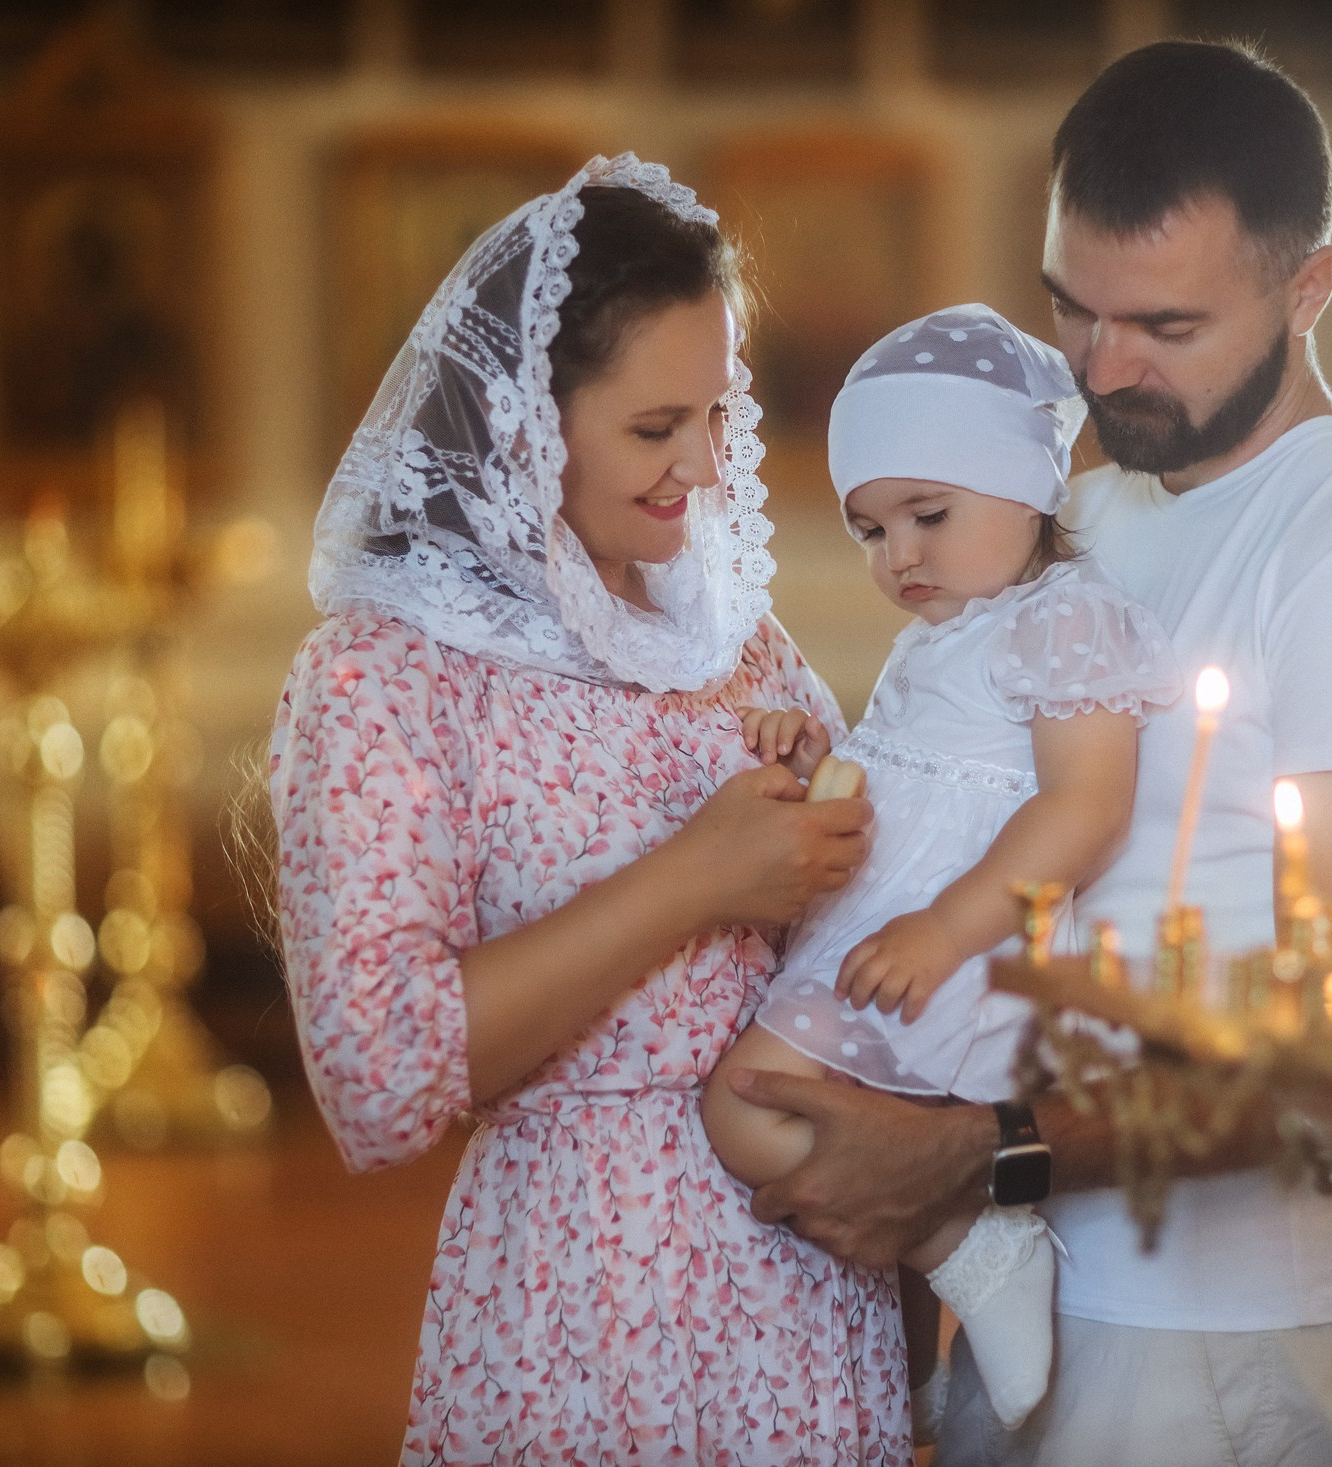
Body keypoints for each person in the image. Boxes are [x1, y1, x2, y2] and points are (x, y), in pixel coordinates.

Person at [725, 42, 1332, 1467]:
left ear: (1308, 287)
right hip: (1059, 1290)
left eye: (1165, 323)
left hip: (1231, 1336)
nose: (1102, 367)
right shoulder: (1096, 509)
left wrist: (986, 1155)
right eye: (1071, 309)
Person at [269, 155, 907, 1466]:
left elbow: (851, 944)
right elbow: (378, 1080)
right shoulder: (389, 672)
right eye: (653, 426)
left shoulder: (736, 641)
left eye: (718, 416)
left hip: (807, 1282)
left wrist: (837, 821)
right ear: (522, 423)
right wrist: (695, 879)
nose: (701, 469)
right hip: (586, 1305)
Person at [701, 305, 1180, 1437]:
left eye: (927, 514)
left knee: (743, 1109)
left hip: (965, 941)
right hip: (903, 923)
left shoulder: (1064, 621)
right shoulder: (955, 627)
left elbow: (1086, 806)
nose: (898, 555)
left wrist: (950, 930)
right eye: (868, 530)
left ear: (1030, 489)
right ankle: (918, 1352)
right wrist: (824, 762)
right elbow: (920, 771)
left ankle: (977, 1236)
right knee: (826, 1128)